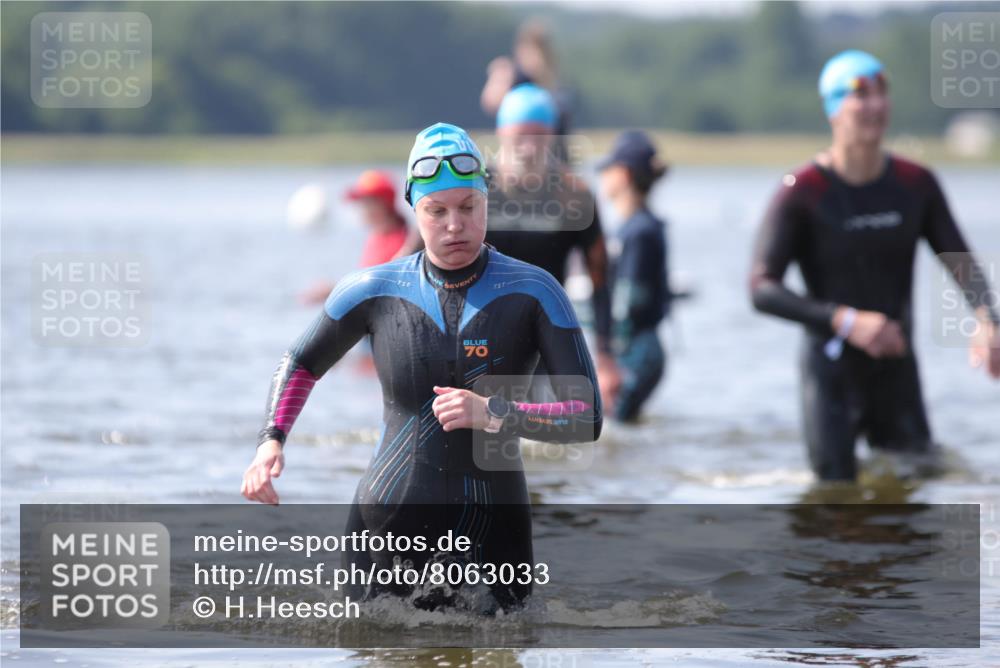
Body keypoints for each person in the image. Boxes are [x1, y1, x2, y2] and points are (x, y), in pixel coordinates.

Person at [243, 122, 602, 613]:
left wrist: (493, 413)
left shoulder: (535, 292)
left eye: (468, 208)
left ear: (486, 201)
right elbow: (302, 362)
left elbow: (586, 417)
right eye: (437, 211)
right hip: (388, 520)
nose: (454, 225)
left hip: (494, 529)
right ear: (415, 209)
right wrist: (271, 440)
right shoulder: (372, 290)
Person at [749, 50, 1000, 482]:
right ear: (832, 108)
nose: (875, 105)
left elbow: (959, 260)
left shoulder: (915, 184)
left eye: (882, 92)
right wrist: (846, 321)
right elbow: (761, 287)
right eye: (859, 94)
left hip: (896, 369)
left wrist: (987, 319)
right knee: (835, 501)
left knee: (918, 491)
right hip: (830, 374)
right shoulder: (802, 191)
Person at [487, 83, 622, 405]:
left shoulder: (574, 195)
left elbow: (600, 279)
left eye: (539, 136)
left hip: (545, 331)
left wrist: (604, 357)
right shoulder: (476, 189)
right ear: (502, 133)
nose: (529, 147)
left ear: (551, 136)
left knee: (546, 434)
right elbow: (421, 254)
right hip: (482, 329)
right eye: (521, 135)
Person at [597, 130, 671, 421]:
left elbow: (629, 299)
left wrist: (610, 358)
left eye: (608, 170)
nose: (602, 177)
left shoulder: (638, 231)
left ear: (624, 175)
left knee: (611, 424)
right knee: (623, 427)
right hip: (643, 347)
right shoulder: (640, 226)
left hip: (637, 350)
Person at [298, 170, 410, 306]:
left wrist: (332, 292)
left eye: (365, 202)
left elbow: (378, 289)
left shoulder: (402, 244)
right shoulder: (376, 237)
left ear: (382, 204)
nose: (360, 209)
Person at [480, 19, 573, 161]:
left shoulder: (553, 82)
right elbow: (490, 103)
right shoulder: (511, 74)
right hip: (519, 151)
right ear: (521, 49)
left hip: (554, 151)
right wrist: (498, 78)